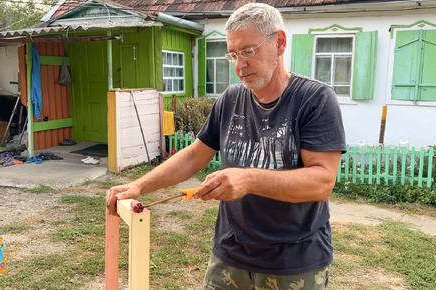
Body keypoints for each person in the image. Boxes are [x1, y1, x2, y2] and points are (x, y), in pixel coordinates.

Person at [106, 3, 346, 289]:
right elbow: (195, 154)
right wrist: (139, 187)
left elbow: (322, 182)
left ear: (279, 43)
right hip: (230, 256)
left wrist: (248, 179)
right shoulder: (231, 98)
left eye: (248, 51)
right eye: (233, 54)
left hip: (293, 262)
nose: (239, 65)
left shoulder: (315, 99)